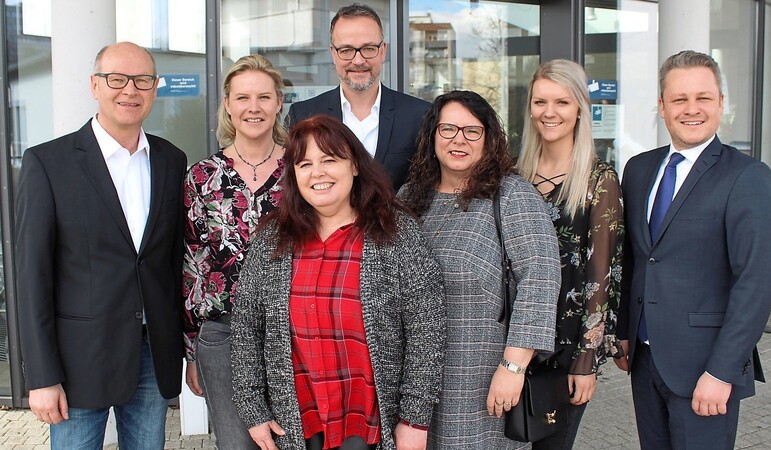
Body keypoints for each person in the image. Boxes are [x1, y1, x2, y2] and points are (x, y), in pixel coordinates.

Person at [230, 115, 446, 450]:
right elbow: (246, 326)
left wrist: (414, 419)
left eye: (330, 160)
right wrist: (253, 408)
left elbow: (426, 328)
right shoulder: (273, 239)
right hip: (297, 420)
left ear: (355, 166)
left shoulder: (396, 232)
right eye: (305, 164)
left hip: (370, 422)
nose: (318, 173)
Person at [15, 42, 186, 448]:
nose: (130, 90)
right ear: (95, 85)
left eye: (143, 80)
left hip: (151, 354)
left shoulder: (171, 160)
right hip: (78, 362)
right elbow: (32, 279)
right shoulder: (47, 163)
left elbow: (171, 263)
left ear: (155, 88)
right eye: (117, 79)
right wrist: (41, 377)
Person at [617, 50, 771, 450]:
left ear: (721, 103)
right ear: (662, 107)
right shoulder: (638, 169)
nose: (692, 109)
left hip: (706, 370)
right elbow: (636, 259)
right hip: (645, 361)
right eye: (679, 99)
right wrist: (624, 332)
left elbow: (754, 285)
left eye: (703, 98)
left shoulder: (747, 176)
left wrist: (722, 372)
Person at [399, 90, 561, 449]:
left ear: (488, 139)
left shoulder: (512, 195)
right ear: (431, 136)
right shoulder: (408, 197)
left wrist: (514, 367)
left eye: (472, 131)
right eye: (449, 129)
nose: (459, 139)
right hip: (413, 381)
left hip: (483, 378)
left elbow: (541, 278)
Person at [516, 59, 625, 449]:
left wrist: (586, 360)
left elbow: (601, 277)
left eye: (561, 102)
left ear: (580, 107)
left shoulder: (599, 179)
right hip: (512, 339)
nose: (549, 112)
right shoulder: (513, 174)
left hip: (564, 350)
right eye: (540, 101)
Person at [182, 54, 286, 449]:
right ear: (228, 104)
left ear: (279, 102)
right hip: (222, 335)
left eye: (263, 97)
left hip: (292, 331)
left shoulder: (304, 169)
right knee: (236, 444)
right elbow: (193, 263)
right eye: (243, 98)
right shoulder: (201, 176)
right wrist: (192, 351)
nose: (253, 108)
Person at [286, 3, 430, 190]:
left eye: (369, 48)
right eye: (346, 50)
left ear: (383, 50)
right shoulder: (304, 115)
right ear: (333, 53)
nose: (358, 60)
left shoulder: (419, 115)